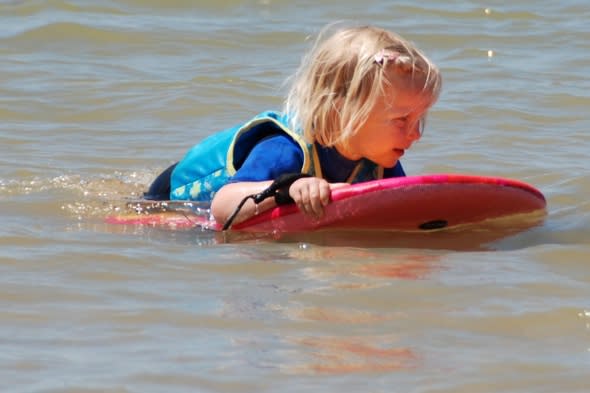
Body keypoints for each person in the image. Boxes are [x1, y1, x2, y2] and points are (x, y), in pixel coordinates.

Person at [145, 24, 442, 229]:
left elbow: (394, 208)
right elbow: (222, 206)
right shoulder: (283, 150)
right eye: (402, 120)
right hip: (172, 199)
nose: (415, 134)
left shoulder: (380, 161)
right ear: (343, 110)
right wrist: (289, 188)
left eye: (420, 120)